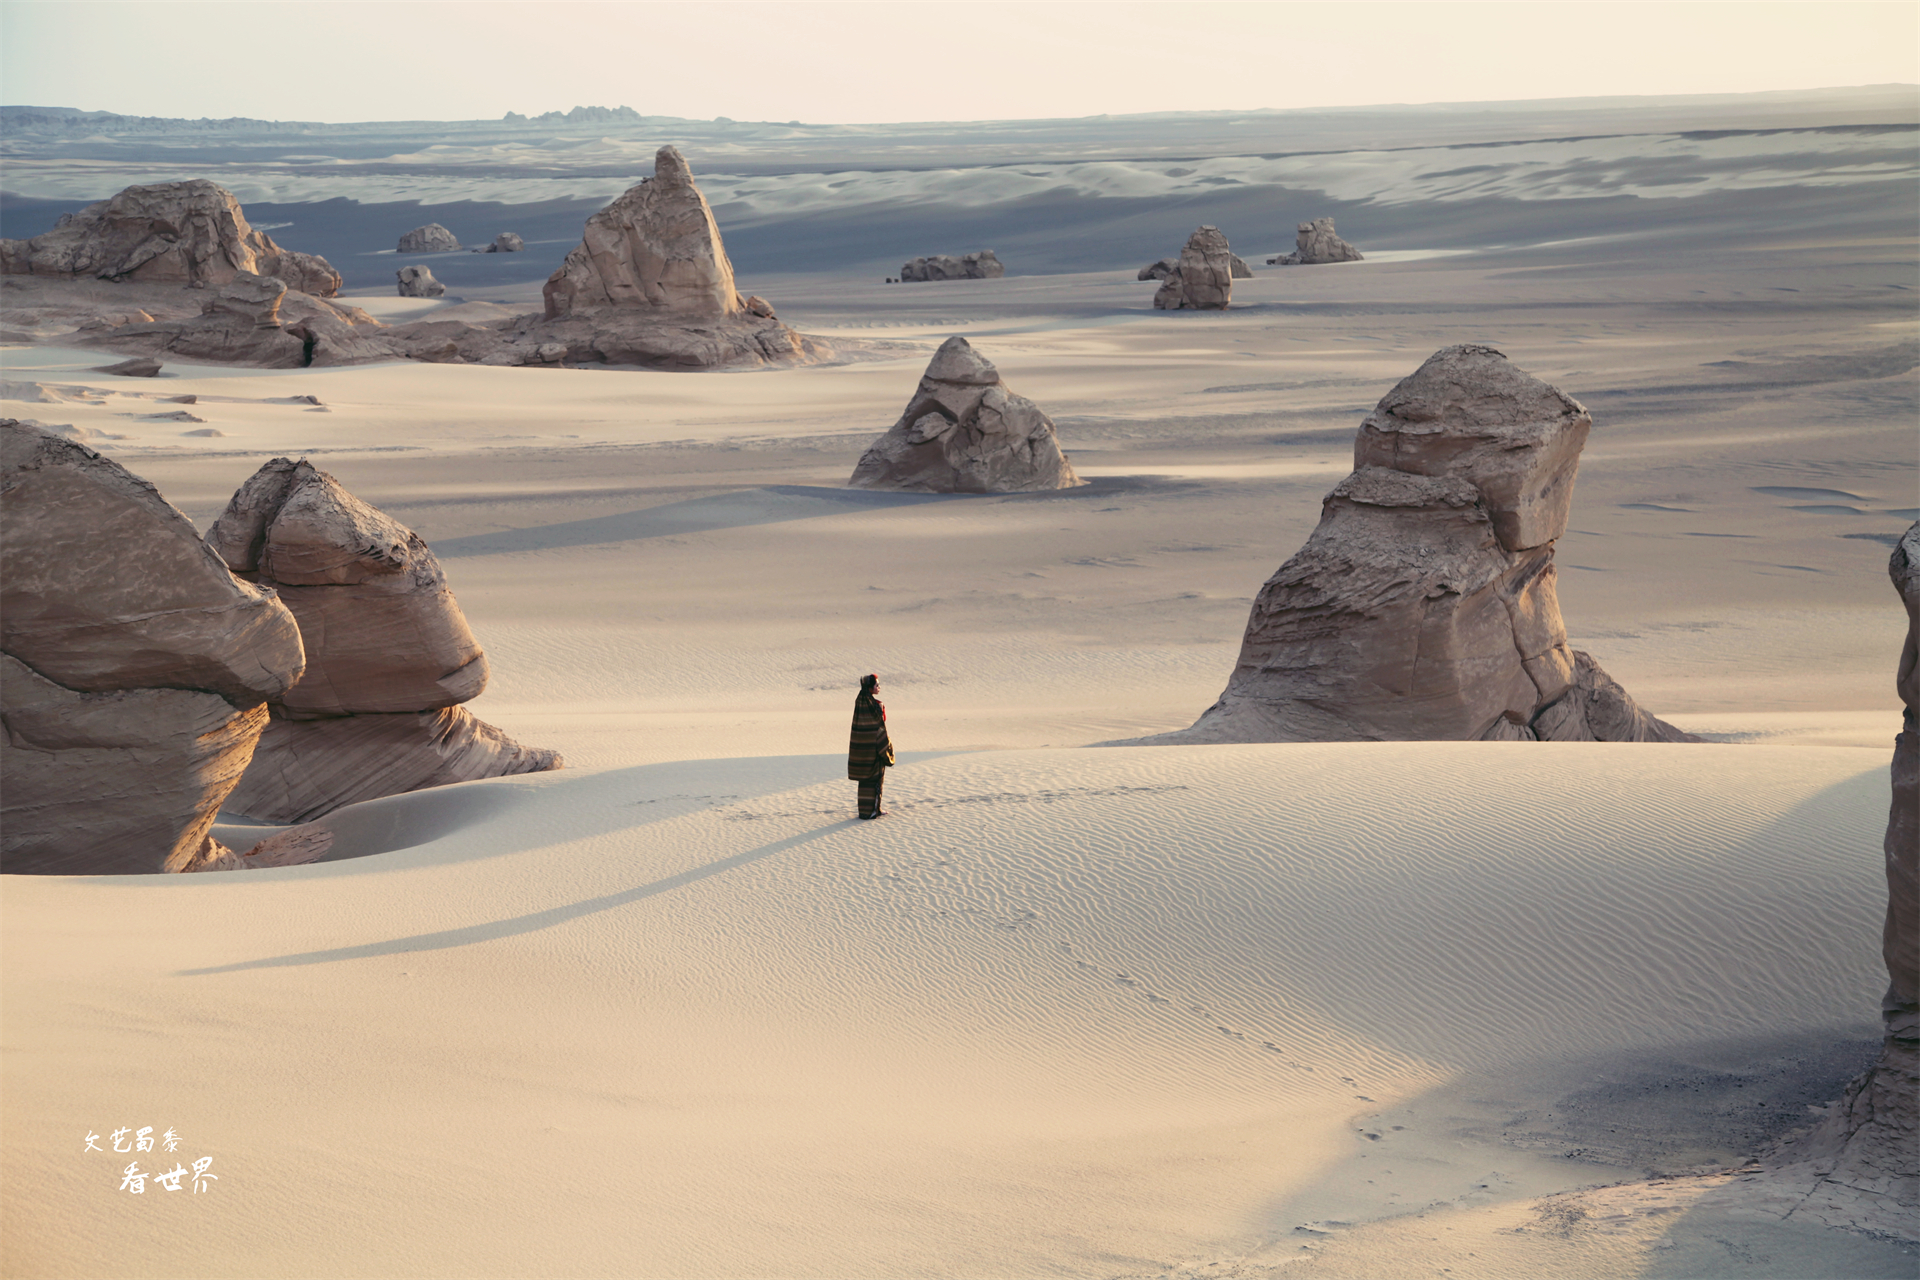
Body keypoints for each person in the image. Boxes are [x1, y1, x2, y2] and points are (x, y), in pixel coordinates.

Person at [847, 673, 894, 819]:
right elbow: (878, 727)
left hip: (862, 747)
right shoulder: (874, 705)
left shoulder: (860, 701)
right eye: (877, 685)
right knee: (875, 780)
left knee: (864, 780)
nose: (879, 687)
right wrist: (886, 746)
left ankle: (864, 811)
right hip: (874, 748)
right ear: (870, 688)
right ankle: (874, 810)